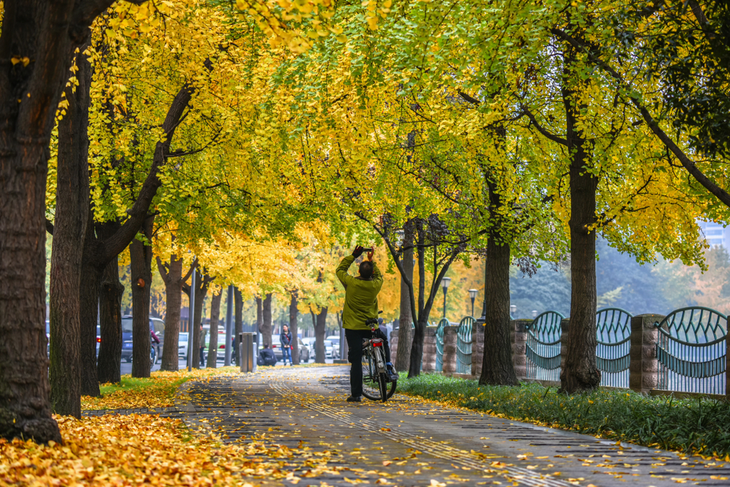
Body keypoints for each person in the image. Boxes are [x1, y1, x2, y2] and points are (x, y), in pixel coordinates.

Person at [336, 245, 397, 403]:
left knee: (356, 360)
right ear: (371, 273)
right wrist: (372, 261)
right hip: (371, 326)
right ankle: (388, 366)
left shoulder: (351, 283)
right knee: (384, 340)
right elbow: (379, 276)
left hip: (353, 327)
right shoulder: (375, 285)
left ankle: (356, 395)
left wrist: (353, 255)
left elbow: (340, 270)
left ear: (358, 272)